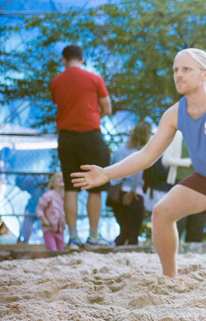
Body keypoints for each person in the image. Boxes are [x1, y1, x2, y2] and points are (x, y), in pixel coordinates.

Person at [71, 48, 206, 279]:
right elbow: (146, 155)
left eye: (186, 69)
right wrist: (107, 173)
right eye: (176, 70)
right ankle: (170, 279)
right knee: (161, 212)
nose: (178, 74)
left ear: (204, 75)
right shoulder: (174, 114)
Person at [50, 45, 112, 249]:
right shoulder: (94, 79)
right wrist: (93, 116)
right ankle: (93, 237)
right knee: (95, 186)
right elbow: (107, 108)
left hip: (66, 138)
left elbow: (59, 103)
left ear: (63, 60)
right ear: (82, 59)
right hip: (90, 137)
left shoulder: (56, 82)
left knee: (71, 188)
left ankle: (73, 239)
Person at [109, 122, 151, 246]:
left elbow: (112, 167)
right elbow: (138, 172)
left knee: (123, 230)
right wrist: (132, 191)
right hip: (134, 193)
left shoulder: (119, 150)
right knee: (133, 234)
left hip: (117, 193)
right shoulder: (141, 152)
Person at [162, 131, 206, 243]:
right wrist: (189, 162)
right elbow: (166, 160)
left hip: (202, 183)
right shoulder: (177, 134)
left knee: (198, 221)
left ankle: (194, 254)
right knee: (179, 221)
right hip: (181, 182)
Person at [37, 172, 66, 251]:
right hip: (49, 230)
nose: (61, 179)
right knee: (52, 250)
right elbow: (40, 209)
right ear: (52, 183)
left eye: (63, 177)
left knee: (61, 250)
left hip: (60, 231)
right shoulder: (48, 196)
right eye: (58, 177)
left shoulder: (66, 197)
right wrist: (43, 219)